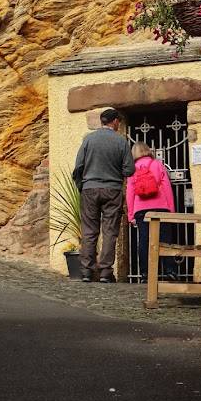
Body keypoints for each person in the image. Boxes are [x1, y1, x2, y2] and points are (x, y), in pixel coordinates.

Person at [73, 108, 134, 283]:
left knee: (89, 231)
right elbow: (129, 170)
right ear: (114, 121)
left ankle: (86, 271)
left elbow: (78, 167)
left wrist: (82, 187)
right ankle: (105, 272)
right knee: (109, 232)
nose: (119, 124)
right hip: (112, 190)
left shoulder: (88, 140)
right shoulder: (121, 142)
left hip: (90, 189)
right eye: (118, 122)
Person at [126, 141, 177, 283]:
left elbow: (130, 192)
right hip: (161, 208)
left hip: (141, 210)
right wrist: (171, 210)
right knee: (165, 240)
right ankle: (169, 270)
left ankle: (145, 274)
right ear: (147, 150)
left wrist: (131, 215)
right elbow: (167, 187)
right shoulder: (157, 164)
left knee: (144, 241)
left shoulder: (132, 169)